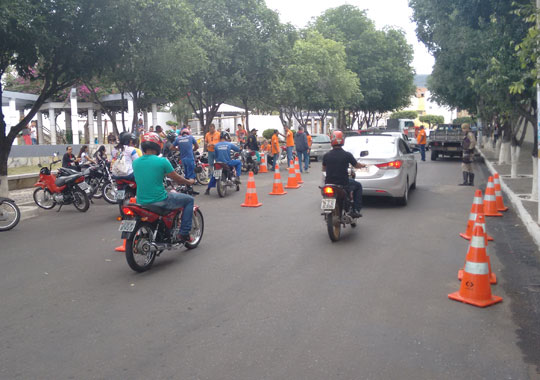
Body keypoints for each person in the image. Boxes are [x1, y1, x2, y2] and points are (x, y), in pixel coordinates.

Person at [132, 132, 196, 242]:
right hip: (159, 200)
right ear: (157, 145)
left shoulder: (136, 162)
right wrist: (189, 182)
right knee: (189, 200)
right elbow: (177, 178)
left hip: (140, 200)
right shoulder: (162, 161)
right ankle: (184, 233)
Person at [322, 131, 366, 218]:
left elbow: (323, 169)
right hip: (343, 183)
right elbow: (356, 165)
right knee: (358, 186)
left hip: (329, 183)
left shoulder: (326, 155)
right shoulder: (347, 155)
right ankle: (355, 210)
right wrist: (362, 166)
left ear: (332, 140)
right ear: (342, 141)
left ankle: (327, 210)